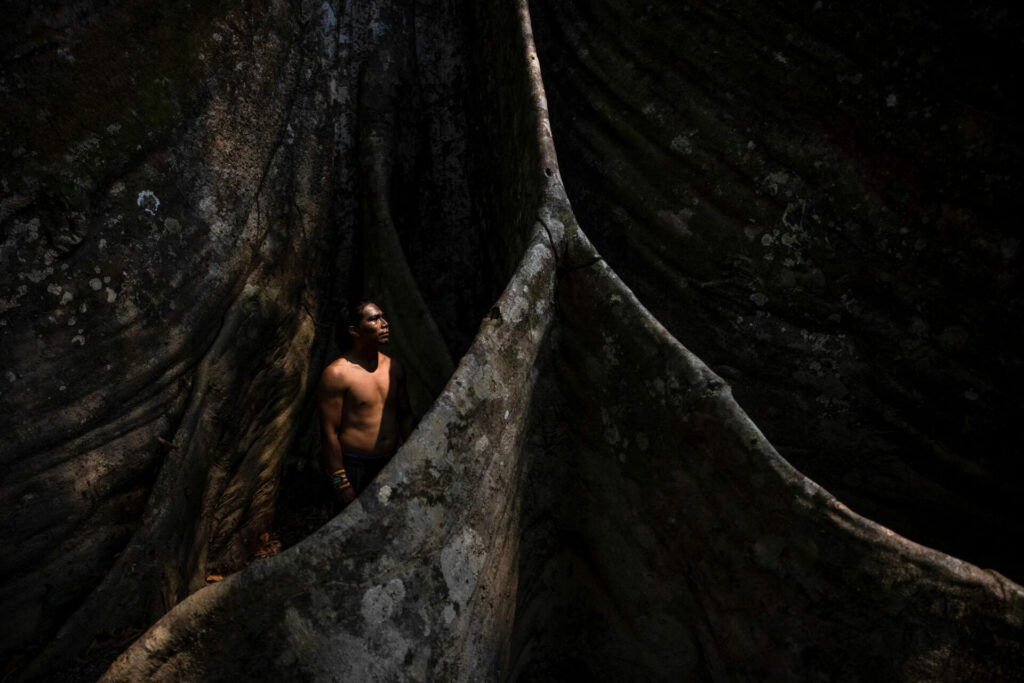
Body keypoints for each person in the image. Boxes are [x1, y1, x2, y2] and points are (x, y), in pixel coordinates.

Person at [317, 301, 414, 506]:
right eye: (374, 319)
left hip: (391, 463)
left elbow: (405, 415)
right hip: (355, 467)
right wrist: (341, 483)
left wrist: (413, 459)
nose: (385, 323)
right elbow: (329, 433)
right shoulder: (337, 374)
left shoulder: (393, 368)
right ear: (354, 330)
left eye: (383, 317)